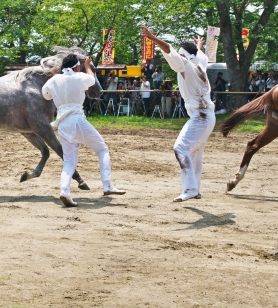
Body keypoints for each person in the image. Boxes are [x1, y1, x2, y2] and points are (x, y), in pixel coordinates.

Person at [141, 24, 215, 202]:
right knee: (195, 154)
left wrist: (153, 38)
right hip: (208, 117)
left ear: (183, 55)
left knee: (180, 148)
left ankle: (190, 189)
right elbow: (199, 55)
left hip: (200, 116)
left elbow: (168, 49)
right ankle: (194, 189)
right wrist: (198, 45)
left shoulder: (186, 64)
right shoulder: (200, 63)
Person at [42, 54, 126, 207]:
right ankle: (107, 185)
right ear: (76, 66)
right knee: (102, 149)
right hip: (77, 120)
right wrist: (88, 66)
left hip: (62, 124)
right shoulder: (80, 76)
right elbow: (92, 80)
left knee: (69, 161)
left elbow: (46, 96)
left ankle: (64, 191)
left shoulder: (54, 80)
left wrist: (55, 78)